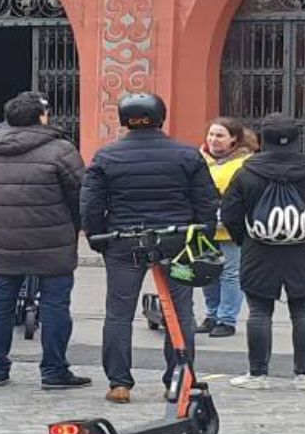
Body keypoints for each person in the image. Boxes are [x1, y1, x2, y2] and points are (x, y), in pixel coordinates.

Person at [80, 93, 220, 406]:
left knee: (119, 312)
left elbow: (90, 204)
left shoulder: (106, 157)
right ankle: (179, 377)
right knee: (180, 310)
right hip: (176, 238)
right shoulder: (186, 154)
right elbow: (206, 202)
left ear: (123, 119)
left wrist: (97, 237)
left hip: (124, 238)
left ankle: (119, 383)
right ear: (161, 117)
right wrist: (202, 236)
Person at [0, 91, 90, 390]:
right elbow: (80, 193)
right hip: (53, 237)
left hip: (3, 238)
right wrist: (76, 225)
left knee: (0, 300)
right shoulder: (60, 149)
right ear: (41, 116)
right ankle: (54, 370)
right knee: (55, 304)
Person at [221, 114, 305, 391]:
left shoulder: (247, 171)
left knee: (259, 312)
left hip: (259, 249)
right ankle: (304, 375)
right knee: (303, 311)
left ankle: (257, 375)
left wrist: (244, 239)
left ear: (264, 140)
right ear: (297, 138)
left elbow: (230, 212)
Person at [199, 117, 253, 340]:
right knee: (206, 272)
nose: (213, 140)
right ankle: (211, 315)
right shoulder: (198, 158)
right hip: (204, 226)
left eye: (220, 135)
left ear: (234, 140)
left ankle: (226, 319)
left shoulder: (246, 163)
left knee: (230, 275)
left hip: (232, 229)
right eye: (211, 135)